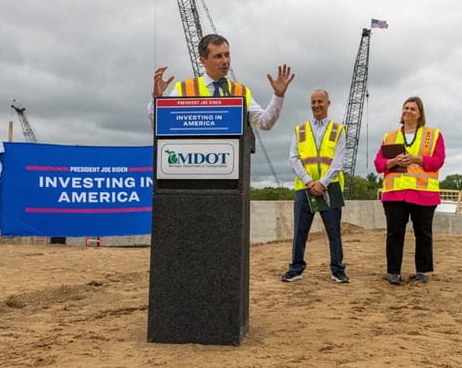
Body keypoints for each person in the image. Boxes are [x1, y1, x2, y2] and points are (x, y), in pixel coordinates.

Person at [149, 34, 294, 129]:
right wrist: (157, 98)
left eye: (227, 55)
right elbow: (159, 124)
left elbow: (264, 123)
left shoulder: (240, 91)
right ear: (203, 60)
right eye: (218, 56)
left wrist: (278, 95)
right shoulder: (184, 88)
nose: (225, 61)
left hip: (231, 168)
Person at [374, 96, 445, 285]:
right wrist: (394, 162)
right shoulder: (390, 137)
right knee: (394, 233)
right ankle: (393, 272)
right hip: (395, 193)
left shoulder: (434, 135)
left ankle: (422, 271)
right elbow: (378, 164)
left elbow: (438, 161)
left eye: (413, 109)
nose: (408, 111)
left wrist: (416, 159)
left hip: (423, 194)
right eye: (405, 108)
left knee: (423, 233)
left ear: (420, 113)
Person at [282, 89, 348, 283]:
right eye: (313, 102)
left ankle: (338, 270)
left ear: (328, 103)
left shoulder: (338, 130)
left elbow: (338, 161)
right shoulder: (299, 130)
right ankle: (296, 268)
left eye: (320, 101)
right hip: (305, 188)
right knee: (300, 231)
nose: (316, 105)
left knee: (334, 232)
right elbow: (293, 159)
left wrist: (323, 183)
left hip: (330, 188)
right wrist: (310, 182)